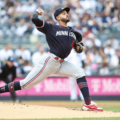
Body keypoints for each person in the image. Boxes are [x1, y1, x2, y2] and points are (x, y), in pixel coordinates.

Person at [0, 7, 103, 111]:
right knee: (24, 84)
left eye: (67, 13)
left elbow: (80, 47)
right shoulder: (51, 28)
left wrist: (80, 48)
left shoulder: (74, 33)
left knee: (80, 72)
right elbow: (35, 20)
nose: (66, 14)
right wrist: (37, 12)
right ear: (57, 17)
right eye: (63, 13)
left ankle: (88, 103)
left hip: (61, 63)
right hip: (49, 61)